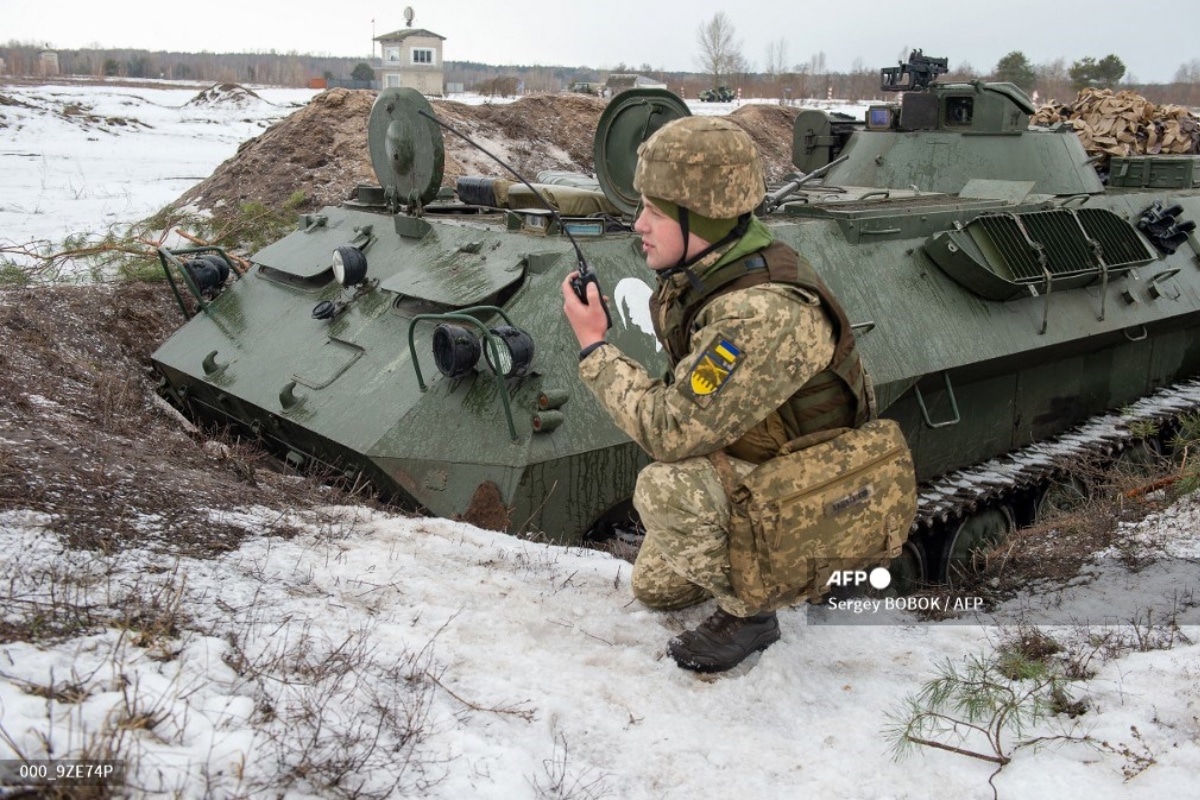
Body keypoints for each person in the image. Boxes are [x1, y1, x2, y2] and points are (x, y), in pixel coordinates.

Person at [560, 116, 873, 673]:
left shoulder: (760, 312)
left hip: (825, 492)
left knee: (666, 488)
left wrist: (594, 346)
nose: (639, 225)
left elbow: (669, 431)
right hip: (773, 465)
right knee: (655, 585)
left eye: (655, 212)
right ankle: (763, 567)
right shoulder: (713, 272)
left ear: (699, 215)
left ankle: (754, 612)